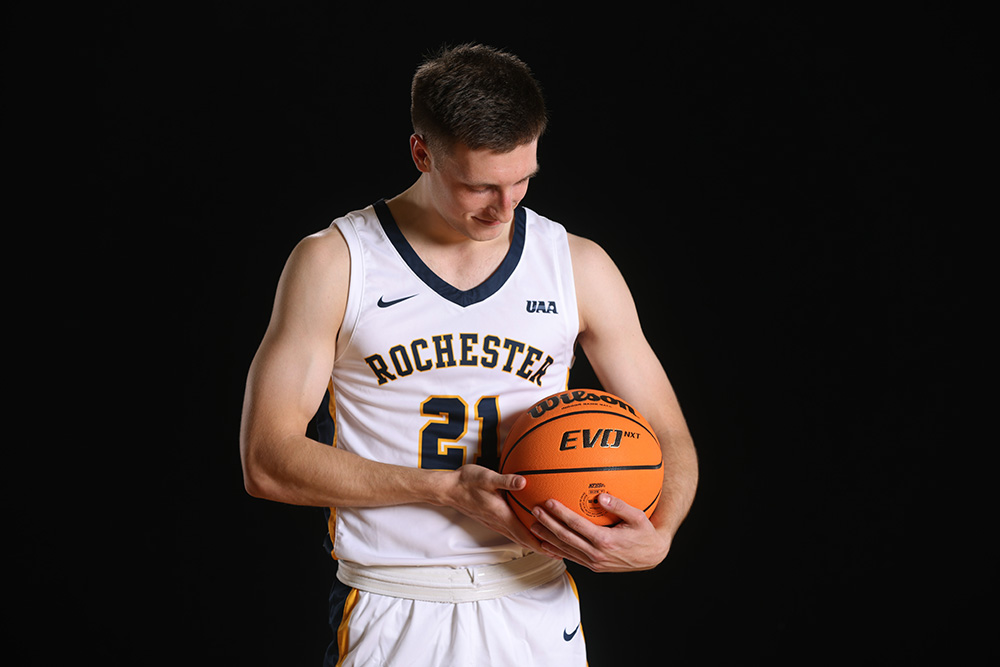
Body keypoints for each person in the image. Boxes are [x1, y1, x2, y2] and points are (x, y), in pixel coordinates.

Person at [240, 43, 698, 666]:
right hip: (396, 601)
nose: (506, 207)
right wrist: (443, 489)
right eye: (480, 186)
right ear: (421, 153)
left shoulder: (575, 266)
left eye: (523, 181)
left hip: (535, 602)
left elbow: (668, 433)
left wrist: (661, 535)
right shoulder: (337, 262)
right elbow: (266, 461)